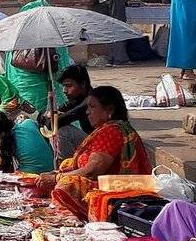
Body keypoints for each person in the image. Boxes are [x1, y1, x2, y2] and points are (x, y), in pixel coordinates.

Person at [46, 86, 152, 221]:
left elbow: (93, 170)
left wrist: (57, 178)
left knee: (67, 184)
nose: (87, 112)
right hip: (108, 186)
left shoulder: (111, 131)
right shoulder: (108, 129)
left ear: (109, 110)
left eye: (92, 107)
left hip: (115, 191)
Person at [0, 109, 53, 173]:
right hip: (51, 168)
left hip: (30, 175)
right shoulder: (29, 122)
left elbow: (6, 165)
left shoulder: (7, 141)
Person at [50, 63, 93, 158]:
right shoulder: (77, 99)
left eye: (69, 86)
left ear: (82, 84)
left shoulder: (90, 101)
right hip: (92, 140)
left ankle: (68, 167)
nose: (64, 90)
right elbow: (51, 117)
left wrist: (51, 116)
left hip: (101, 143)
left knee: (61, 131)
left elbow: (56, 122)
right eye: (64, 86)